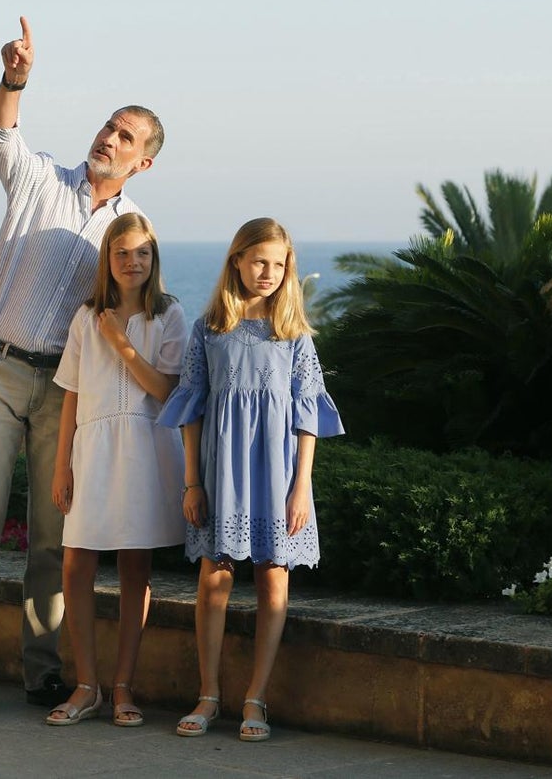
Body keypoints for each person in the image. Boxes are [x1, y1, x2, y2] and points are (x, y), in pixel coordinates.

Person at [0, 16, 165, 719]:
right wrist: (15, 78)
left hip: (61, 389)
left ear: (143, 162)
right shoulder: (38, 177)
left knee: (52, 535)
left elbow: (141, 306)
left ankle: (41, 670)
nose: (109, 137)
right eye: (108, 126)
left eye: (126, 136)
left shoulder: (132, 235)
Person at [157, 217, 344, 742]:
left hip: (279, 474)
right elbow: (190, 409)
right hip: (222, 472)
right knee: (214, 578)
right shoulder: (208, 330)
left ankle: (255, 699)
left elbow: (308, 417)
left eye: (279, 264)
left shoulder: (294, 336)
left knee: (272, 579)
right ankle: (209, 694)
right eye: (259, 260)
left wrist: (301, 486)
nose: (268, 272)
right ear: (236, 260)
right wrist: (192, 481)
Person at [45, 213, 188, 727]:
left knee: (135, 568)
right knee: (75, 563)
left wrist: (122, 343)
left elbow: (166, 390)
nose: (132, 262)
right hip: (94, 448)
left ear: (154, 259)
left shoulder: (168, 315)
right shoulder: (86, 318)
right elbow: (71, 394)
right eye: (122, 253)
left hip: (146, 450)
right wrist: (62, 464)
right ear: (108, 259)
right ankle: (87, 685)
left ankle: (123, 686)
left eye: (142, 253)